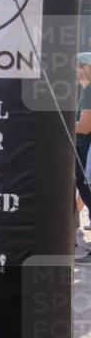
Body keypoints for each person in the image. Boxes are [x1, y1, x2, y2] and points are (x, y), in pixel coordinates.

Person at [76, 53, 91, 231]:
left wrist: (57, 126)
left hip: (86, 150)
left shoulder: (89, 91)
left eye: (78, 67)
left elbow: (86, 126)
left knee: (85, 187)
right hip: (84, 151)